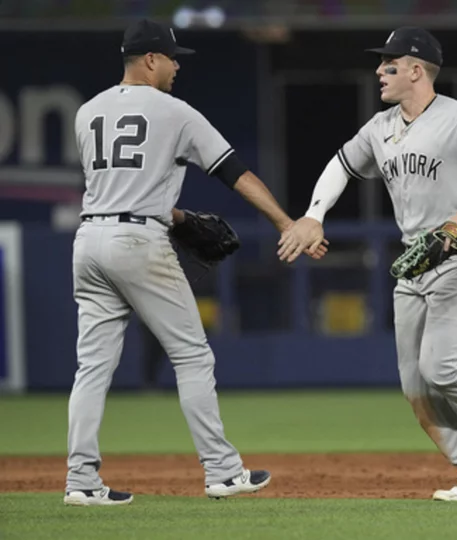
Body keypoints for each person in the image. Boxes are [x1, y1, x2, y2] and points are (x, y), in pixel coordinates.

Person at [278, 27, 457, 502]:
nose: (378, 71)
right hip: (415, 263)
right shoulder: (380, 126)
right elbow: (342, 164)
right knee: (417, 386)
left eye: (388, 63)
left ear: (415, 69)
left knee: (441, 367)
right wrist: (313, 215)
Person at [65, 19, 325, 506]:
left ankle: (80, 480)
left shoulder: (86, 112)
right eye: (170, 56)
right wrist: (286, 223)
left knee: (92, 367)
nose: (177, 64)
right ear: (148, 60)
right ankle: (223, 472)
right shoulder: (175, 112)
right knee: (192, 355)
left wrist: (177, 215)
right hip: (138, 241)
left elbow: (120, 188)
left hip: (89, 239)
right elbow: (235, 173)